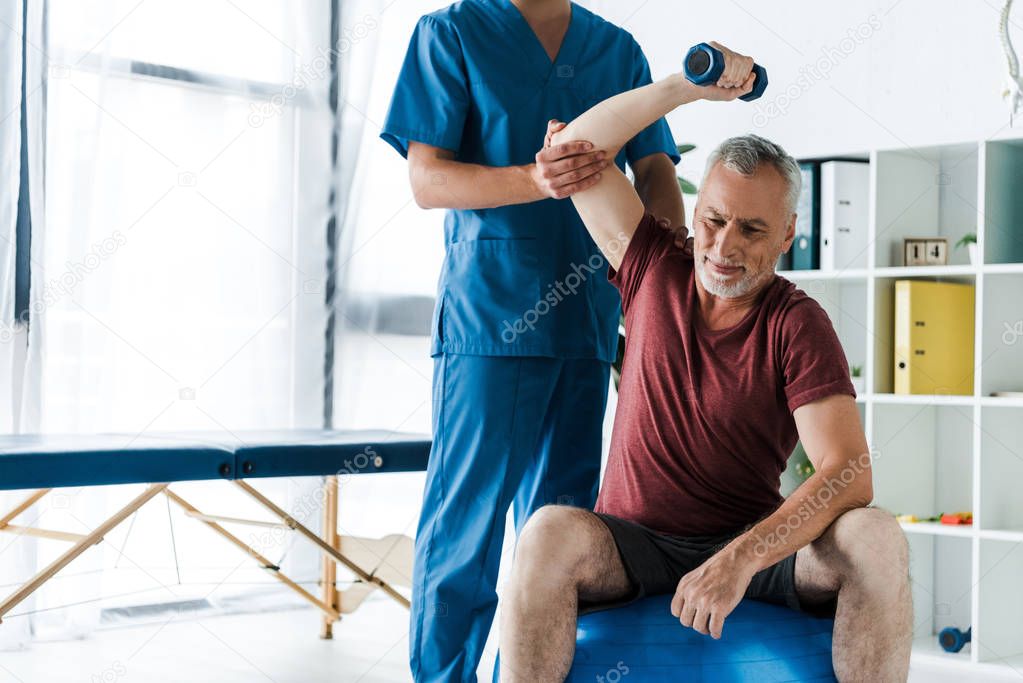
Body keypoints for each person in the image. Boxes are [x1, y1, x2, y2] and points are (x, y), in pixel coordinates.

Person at [498, 44, 913, 682]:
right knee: (547, 530)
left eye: (752, 229)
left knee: (876, 538)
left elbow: (848, 474)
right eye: (714, 221)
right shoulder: (650, 269)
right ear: (696, 215)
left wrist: (741, 559)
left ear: (787, 236)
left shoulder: (795, 323)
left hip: (751, 544)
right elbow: (571, 149)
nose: (724, 247)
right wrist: (688, 90)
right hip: (631, 546)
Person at [379, 1, 684, 680]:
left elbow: (656, 169)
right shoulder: (450, 33)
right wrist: (532, 178)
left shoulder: (614, 48)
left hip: (587, 319)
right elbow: (428, 179)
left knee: (563, 533)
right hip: (490, 317)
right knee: (466, 529)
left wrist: (660, 279)